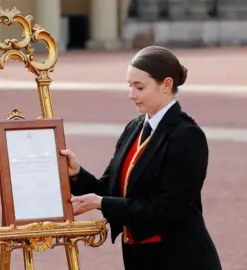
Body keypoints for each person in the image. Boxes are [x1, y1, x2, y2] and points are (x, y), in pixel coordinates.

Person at [61, 46, 222, 270]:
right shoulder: (134, 127)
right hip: (139, 259)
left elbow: (168, 211)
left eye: (139, 87)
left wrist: (101, 203)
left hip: (180, 259)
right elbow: (110, 191)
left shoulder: (187, 136)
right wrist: (76, 174)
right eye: (130, 86)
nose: (131, 95)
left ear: (166, 85)